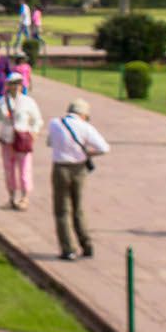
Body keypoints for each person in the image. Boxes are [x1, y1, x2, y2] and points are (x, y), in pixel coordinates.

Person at [46, 97, 110, 260]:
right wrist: (88, 153)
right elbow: (104, 148)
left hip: (60, 167)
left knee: (62, 210)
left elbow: (50, 143)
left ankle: (68, 249)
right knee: (78, 209)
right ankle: (86, 243)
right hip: (79, 168)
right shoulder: (85, 127)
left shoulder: (55, 123)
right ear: (84, 114)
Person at [0, 72, 43, 210]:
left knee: (24, 168)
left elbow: (37, 119)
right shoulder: (1, 102)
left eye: (18, 84)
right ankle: (11, 196)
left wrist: (34, 133)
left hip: (22, 138)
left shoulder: (27, 102)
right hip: (7, 138)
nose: (16, 87)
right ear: (8, 85)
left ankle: (25, 197)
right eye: (13, 84)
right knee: (9, 169)